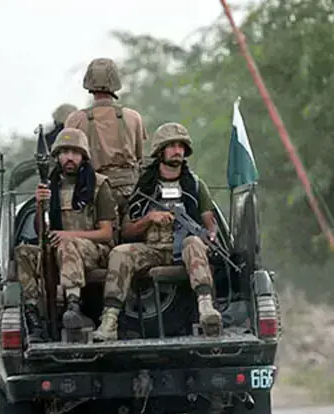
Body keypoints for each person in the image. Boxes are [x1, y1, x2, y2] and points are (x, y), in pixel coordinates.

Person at [91, 122, 221, 342]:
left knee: (195, 243)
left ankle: (206, 309)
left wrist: (210, 235)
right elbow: (128, 230)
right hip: (153, 250)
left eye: (181, 146)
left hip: (185, 250)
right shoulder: (145, 187)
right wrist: (149, 218)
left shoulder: (195, 185)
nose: (177, 151)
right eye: (171, 146)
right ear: (160, 151)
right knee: (120, 253)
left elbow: (209, 221)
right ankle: (109, 320)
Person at [14, 128, 117, 343]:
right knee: (23, 252)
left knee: (67, 244)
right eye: (64, 152)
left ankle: (73, 305)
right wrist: (41, 204)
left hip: (93, 251)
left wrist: (67, 235)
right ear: (57, 156)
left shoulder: (98, 185)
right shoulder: (51, 185)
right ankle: (34, 316)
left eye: (75, 152)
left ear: (83, 156)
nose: (69, 157)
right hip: (58, 249)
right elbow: (42, 232)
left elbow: (106, 233)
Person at [65, 58, 148, 227]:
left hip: (93, 192)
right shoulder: (133, 117)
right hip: (130, 192)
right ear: (116, 82)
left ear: (88, 82)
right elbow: (140, 158)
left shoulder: (75, 119)